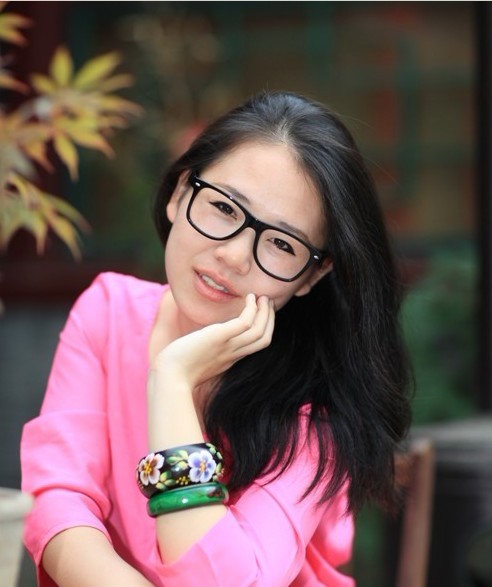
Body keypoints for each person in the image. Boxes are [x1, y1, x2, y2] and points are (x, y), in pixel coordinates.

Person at [21, 90, 412, 587]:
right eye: (225, 208)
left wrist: (173, 381)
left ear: (312, 275)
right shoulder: (108, 312)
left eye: (281, 242)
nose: (234, 256)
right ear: (180, 193)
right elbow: (59, 503)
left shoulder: (317, 414)